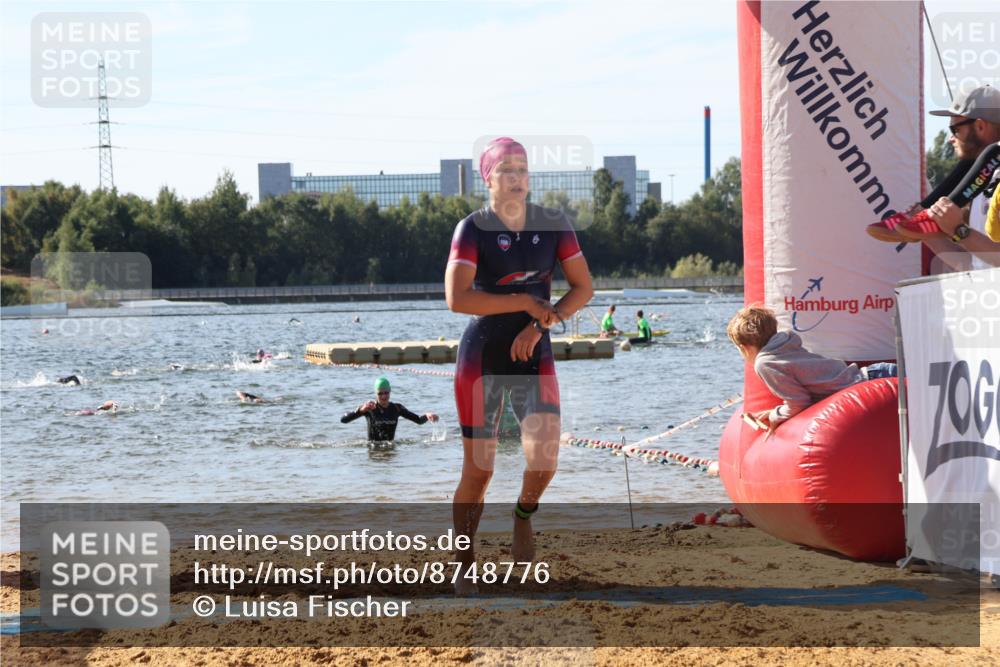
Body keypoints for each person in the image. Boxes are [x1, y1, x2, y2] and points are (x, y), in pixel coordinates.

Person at [445, 137, 594, 592]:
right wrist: (525, 301)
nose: (517, 178)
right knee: (480, 469)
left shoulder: (553, 225)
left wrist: (541, 323)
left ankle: (523, 516)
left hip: (535, 350)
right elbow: (457, 299)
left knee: (545, 458)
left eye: (523, 169)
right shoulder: (472, 229)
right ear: (487, 178)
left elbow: (582, 288)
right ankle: (464, 557)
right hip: (483, 355)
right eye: (506, 169)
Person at [867, 84, 1000, 268]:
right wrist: (919, 231)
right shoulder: (980, 185)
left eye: (955, 129)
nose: (950, 139)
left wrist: (958, 230)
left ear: (980, 126)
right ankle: (926, 217)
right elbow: (970, 265)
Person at [727, 305, 896, 431]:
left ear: (744, 348)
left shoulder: (764, 363)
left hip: (871, 385)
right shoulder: (784, 345)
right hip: (876, 374)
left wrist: (773, 417)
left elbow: (799, 402)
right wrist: (776, 410)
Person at [340, 376, 437, 442]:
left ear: (390, 391)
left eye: (386, 393)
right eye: (380, 393)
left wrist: (427, 415)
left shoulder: (396, 408)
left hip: (390, 451)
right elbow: (343, 420)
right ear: (375, 394)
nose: (383, 396)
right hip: (374, 452)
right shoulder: (369, 408)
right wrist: (361, 410)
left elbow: (419, 420)